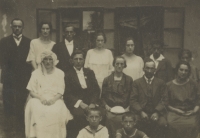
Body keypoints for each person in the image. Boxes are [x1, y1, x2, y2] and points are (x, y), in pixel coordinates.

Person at [25, 50, 73, 138]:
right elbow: (31, 91)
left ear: (54, 61)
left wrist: (53, 100)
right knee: (36, 107)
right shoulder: (35, 73)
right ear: (42, 61)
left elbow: (60, 91)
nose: (48, 62)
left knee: (56, 110)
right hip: (38, 98)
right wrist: (41, 98)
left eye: (50, 59)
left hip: (55, 99)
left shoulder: (60, 73)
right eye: (45, 59)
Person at [0, 18, 32, 123]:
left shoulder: (29, 42)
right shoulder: (3, 41)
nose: (17, 28)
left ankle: (21, 125)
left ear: (23, 28)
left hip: (24, 76)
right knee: (8, 100)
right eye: (15, 26)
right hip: (9, 76)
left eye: (19, 26)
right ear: (11, 27)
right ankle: (8, 126)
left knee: (22, 100)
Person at [64, 50, 100, 138]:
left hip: (90, 102)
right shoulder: (67, 74)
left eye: (81, 59)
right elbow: (67, 94)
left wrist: (92, 103)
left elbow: (96, 90)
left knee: (100, 113)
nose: (78, 61)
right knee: (80, 115)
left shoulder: (89, 72)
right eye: (76, 59)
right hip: (77, 104)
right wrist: (80, 103)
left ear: (84, 60)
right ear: (72, 60)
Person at [130, 58, 167, 138]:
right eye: (147, 68)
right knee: (135, 122)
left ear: (155, 70)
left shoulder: (161, 83)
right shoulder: (137, 83)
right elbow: (133, 100)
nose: (149, 71)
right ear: (143, 69)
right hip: (140, 112)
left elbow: (164, 100)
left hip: (157, 112)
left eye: (151, 68)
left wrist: (157, 112)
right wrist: (141, 112)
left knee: (162, 123)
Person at [166, 61, 200, 138]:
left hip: (190, 112)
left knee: (192, 125)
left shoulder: (193, 84)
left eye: (186, 70)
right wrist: (176, 110)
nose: (183, 72)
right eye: (181, 70)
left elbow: (198, 99)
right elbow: (166, 103)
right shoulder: (168, 85)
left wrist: (194, 110)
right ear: (177, 70)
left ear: (188, 72)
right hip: (174, 112)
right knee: (171, 124)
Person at [101, 56, 133, 138]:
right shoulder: (107, 80)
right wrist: (106, 106)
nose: (119, 66)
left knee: (125, 121)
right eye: (117, 64)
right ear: (114, 65)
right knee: (109, 119)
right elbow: (103, 97)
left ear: (124, 65)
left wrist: (128, 108)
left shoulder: (129, 80)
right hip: (110, 110)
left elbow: (132, 96)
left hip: (125, 109)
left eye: (121, 64)